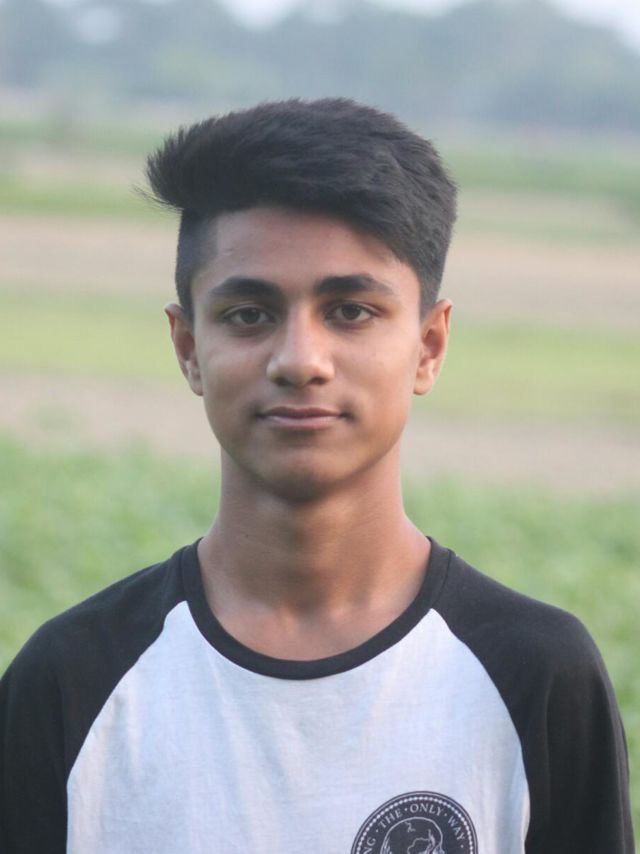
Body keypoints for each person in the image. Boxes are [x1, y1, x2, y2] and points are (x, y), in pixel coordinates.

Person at [0, 98, 634, 854]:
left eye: (351, 311)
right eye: (248, 314)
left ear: (429, 345)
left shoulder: (537, 674)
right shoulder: (71, 679)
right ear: (188, 347)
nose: (300, 360)